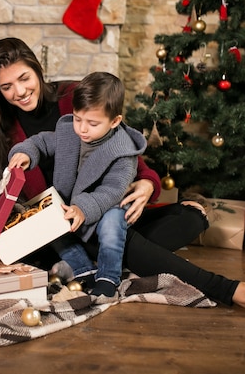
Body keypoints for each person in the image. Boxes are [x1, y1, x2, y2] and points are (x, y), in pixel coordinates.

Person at [0, 37, 245, 316]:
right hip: (61, 228)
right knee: (120, 238)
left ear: (38, 71)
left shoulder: (77, 98)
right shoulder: (3, 132)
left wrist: (147, 183)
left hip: (103, 209)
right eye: (6, 87)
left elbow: (124, 152)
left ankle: (97, 263)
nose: (19, 91)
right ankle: (237, 291)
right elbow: (11, 191)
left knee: (191, 217)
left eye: (24, 78)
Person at [8, 71, 147, 303]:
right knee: (49, 222)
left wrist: (83, 208)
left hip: (105, 206)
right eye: (77, 118)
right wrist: (26, 153)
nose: (82, 129)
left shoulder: (123, 151)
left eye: (92, 123)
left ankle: (108, 277)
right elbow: (41, 142)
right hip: (71, 205)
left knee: (113, 225)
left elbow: (113, 190)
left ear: (114, 121)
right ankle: (82, 269)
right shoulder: (69, 132)